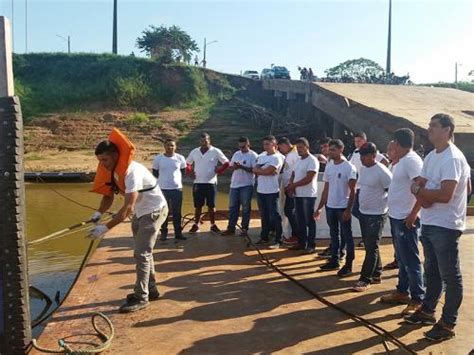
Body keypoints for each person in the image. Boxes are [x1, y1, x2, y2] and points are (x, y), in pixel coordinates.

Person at [404, 114, 471, 342]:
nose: (429, 129)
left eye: (434, 126)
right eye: (429, 125)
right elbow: (419, 182)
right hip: (431, 222)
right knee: (431, 271)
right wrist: (421, 192)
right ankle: (427, 311)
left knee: (450, 276)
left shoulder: (452, 158)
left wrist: (420, 192)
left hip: (446, 225)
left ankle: (448, 323)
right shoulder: (432, 156)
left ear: (448, 129)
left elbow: (444, 194)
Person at [89, 140, 168, 313]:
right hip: (140, 212)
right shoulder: (115, 171)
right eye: (100, 161)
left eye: (105, 160)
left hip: (154, 211)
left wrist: (105, 228)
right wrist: (98, 214)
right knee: (144, 253)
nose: (102, 165)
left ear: (115, 156)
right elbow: (108, 196)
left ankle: (141, 297)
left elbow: (128, 207)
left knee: (141, 254)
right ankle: (151, 289)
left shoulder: (132, 172)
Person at [380, 129, 425, 316]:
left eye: (393, 144)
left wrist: (414, 213)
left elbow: (421, 187)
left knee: (411, 259)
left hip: (407, 218)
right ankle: (402, 291)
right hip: (398, 216)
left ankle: (417, 299)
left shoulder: (412, 161)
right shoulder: (402, 161)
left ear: (398, 143)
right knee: (403, 258)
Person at [351, 142, 392, 292]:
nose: (362, 159)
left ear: (374, 156)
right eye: (361, 155)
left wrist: (384, 208)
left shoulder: (383, 172)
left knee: (371, 247)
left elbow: (391, 192)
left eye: (366, 156)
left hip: (377, 215)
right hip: (364, 212)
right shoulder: (364, 169)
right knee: (370, 246)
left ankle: (365, 278)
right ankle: (376, 273)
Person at [315, 139, 357, 277]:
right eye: (330, 150)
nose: (330, 152)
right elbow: (326, 189)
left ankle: (349, 264)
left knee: (347, 235)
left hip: (342, 207)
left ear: (341, 149)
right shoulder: (329, 166)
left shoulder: (349, 167)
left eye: (333, 150)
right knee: (334, 234)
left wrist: (348, 210)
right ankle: (334, 259)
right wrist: (320, 207)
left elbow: (353, 190)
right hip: (331, 206)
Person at [349, 132, 389, 248]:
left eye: (359, 141)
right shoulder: (356, 156)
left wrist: (377, 175)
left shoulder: (380, 168)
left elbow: (389, 190)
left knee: (372, 247)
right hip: (362, 193)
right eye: (355, 141)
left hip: (376, 210)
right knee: (356, 211)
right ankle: (377, 265)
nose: (357, 143)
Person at [186, 133, 229, 233]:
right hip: (198, 183)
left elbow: (226, 163)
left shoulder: (215, 151)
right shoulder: (195, 151)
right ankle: (196, 225)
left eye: (205, 141)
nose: (204, 143)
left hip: (211, 183)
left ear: (209, 140)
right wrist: (190, 172)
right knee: (198, 206)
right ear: (199, 142)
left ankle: (213, 225)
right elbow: (187, 163)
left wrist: (219, 170)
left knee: (211, 206)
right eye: (201, 141)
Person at [286, 137, 319, 254]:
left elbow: (309, 178)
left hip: (308, 195)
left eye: (301, 147)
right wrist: (291, 186)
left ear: (307, 147)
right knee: (300, 220)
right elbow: (293, 174)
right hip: (298, 194)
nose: (299, 149)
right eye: (298, 147)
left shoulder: (312, 160)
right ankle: (301, 243)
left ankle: (311, 245)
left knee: (309, 220)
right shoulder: (299, 160)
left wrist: (293, 185)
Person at [222, 137, 258, 236]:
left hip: (246, 185)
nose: (241, 149)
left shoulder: (253, 155)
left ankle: (244, 228)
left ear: (248, 145)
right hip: (234, 185)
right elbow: (230, 167)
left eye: (243, 147)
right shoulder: (236, 154)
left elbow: (255, 170)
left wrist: (241, 166)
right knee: (233, 207)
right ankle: (231, 228)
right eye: (240, 147)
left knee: (246, 208)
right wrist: (234, 167)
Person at [152, 139, 186, 241]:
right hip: (163, 189)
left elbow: (182, 171)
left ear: (175, 147)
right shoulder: (158, 159)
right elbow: (155, 173)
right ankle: (164, 233)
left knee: (177, 212)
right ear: (164, 146)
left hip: (177, 189)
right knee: (163, 212)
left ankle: (178, 233)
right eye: (168, 145)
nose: (170, 147)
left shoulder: (180, 158)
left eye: (172, 145)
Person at [254, 135, 284, 248]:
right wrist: (263, 171)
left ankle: (278, 239)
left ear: (274, 145)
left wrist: (261, 170)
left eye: (268, 144)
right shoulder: (261, 156)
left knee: (275, 215)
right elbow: (255, 169)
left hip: (272, 191)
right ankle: (264, 237)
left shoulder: (277, 158)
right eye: (264, 144)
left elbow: (270, 171)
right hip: (261, 190)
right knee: (264, 215)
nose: (265, 146)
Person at [277, 137, 300, 247]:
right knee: (288, 211)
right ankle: (294, 234)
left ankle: (297, 235)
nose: (280, 150)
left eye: (280, 147)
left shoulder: (294, 154)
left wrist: (292, 187)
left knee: (290, 211)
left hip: (292, 188)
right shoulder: (290, 154)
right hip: (288, 187)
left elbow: (296, 172)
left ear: (285, 145)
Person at [383, 141, 399, 270]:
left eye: (390, 149)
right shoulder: (391, 165)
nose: (388, 152)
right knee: (396, 237)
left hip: (404, 212)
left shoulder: (407, 164)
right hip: (393, 209)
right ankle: (397, 259)